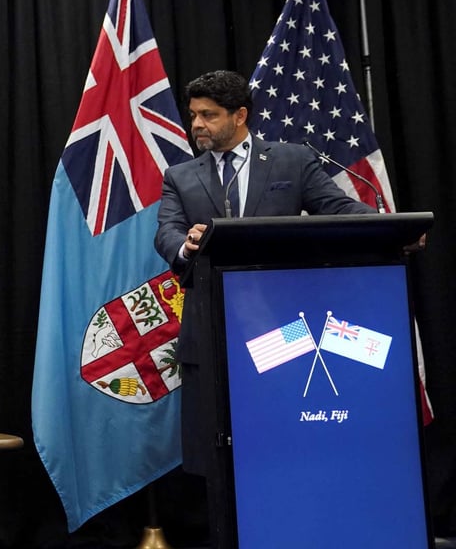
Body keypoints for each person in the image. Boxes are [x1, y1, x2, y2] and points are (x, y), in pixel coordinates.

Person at [154, 70, 375, 547]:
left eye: (208, 115)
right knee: (219, 454)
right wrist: (188, 247)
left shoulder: (291, 161)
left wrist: (388, 223)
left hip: (284, 332)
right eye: (193, 115)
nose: (197, 125)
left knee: (283, 440)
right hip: (212, 333)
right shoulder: (180, 176)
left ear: (240, 116)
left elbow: (335, 209)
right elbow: (167, 233)